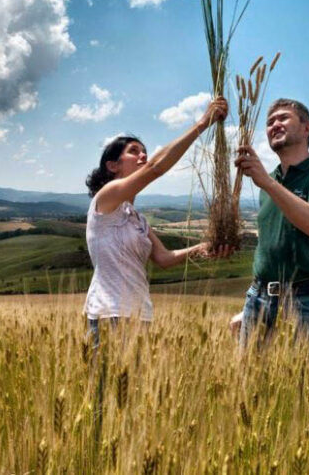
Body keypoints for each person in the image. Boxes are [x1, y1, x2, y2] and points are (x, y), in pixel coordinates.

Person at [83, 96, 230, 342]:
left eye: (145, 152)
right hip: (110, 313)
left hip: (141, 314)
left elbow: (164, 258)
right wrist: (203, 123)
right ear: (112, 166)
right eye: (134, 152)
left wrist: (204, 247)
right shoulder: (105, 200)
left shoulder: (137, 218)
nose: (143, 156)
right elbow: (155, 168)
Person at [230, 98, 309, 344]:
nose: (275, 124)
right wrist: (254, 303)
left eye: (283, 118)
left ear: (307, 128)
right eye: (270, 122)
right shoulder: (268, 180)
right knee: (248, 381)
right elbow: (273, 243)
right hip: (259, 299)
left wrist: (268, 183)